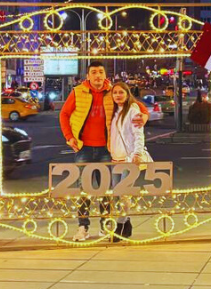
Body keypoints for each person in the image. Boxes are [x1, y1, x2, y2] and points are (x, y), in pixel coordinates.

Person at [59, 61, 143, 241]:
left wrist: (144, 115)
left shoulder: (112, 91)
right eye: (94, 72)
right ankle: (83, 227)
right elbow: (64, 114)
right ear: (88, 75)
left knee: (107, 189)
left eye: (101, 72)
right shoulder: (77, 92)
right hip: (84, 148)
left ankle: (105, 226)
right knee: (84, 189)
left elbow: (136, 106)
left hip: (106, 149)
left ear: (106, 75)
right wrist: (69, 137)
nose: (98, 75)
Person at [107, 82, 150, 241]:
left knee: (124, 194)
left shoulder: (132, 110)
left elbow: (138, 134)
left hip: (129, 159)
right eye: (115, 93)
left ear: (127, 94)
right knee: (117, 195)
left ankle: (119, 227)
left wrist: (137, 153)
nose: (118, 95)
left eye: (121, 92)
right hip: (115, 159)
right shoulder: (114, 111)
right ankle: (127, 224)